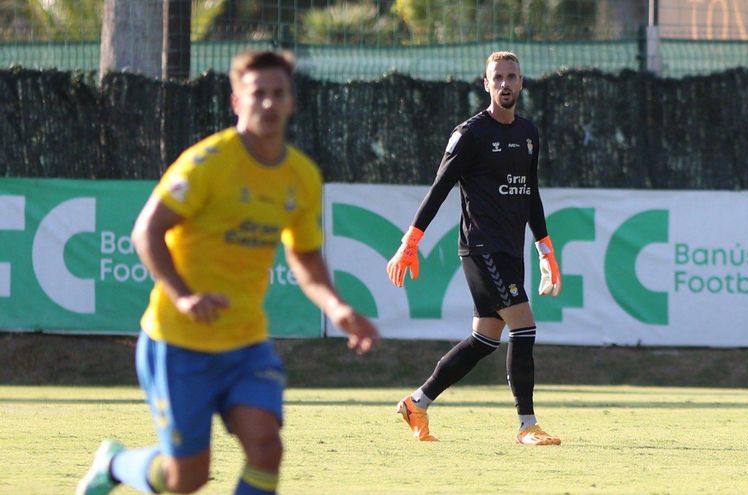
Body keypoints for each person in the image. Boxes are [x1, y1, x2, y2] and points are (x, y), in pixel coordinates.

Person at [77, 50, 379, 495]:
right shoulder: (208, 163)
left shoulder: (301, 176)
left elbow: (304, 256)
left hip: (246, 343)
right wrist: (183, 295)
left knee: (266, 448)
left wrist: (336, 307)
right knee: (187, 478)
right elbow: (146, 231)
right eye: (258, 94)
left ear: (292, 102)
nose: (269, 103)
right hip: (179, 341)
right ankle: (116, 464)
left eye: (278, 93)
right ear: (237, 101)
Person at [386, 51, 561, 446]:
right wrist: (410, 241)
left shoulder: (529, 133)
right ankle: (527, 425)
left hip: (510, 250)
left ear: (521, 83)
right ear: (486, 84)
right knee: (524, 327)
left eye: (511, 77)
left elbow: (530, 194)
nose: (505, 84)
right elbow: (439, 189)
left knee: (485, 339)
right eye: (497, 77)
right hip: (482, 249)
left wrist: (545, 249)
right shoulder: (470, 134)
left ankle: (417, 403)